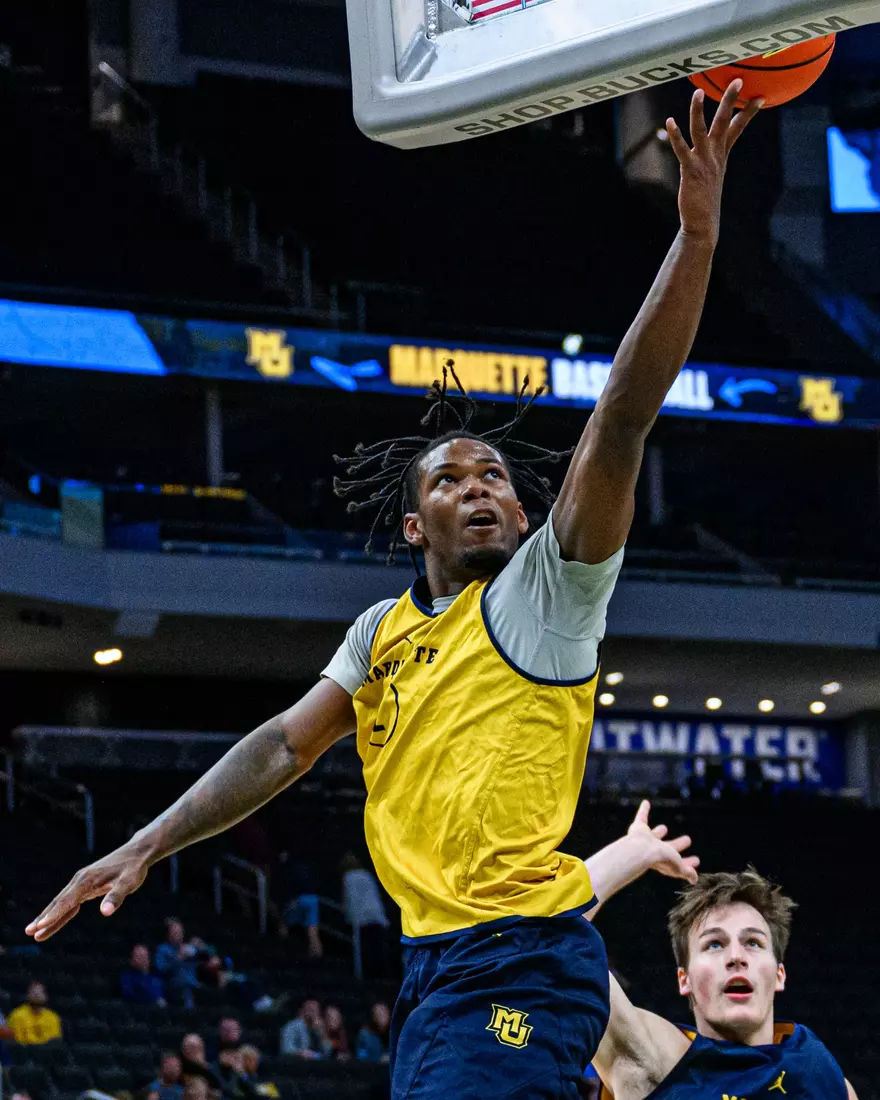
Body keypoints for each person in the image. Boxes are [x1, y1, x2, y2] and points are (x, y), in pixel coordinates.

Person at [26, 80, 761, 1099]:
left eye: (496, 477)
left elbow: (623, 416)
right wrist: (147, 844)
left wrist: (694, 240)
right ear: (413, 523)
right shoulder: (380, 630)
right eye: (451, 480)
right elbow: (285, 743)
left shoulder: (546, 595)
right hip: (435, 967)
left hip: (519, 957)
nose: (480, 488)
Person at [577, 802, 858, 1100]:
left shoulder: (826, 1081)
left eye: (753, 942)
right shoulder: (654, 1061)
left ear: (779, 975)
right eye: (714, 944)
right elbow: (549, 934)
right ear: (684, 979)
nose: (736, 957)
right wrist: (630, 854)